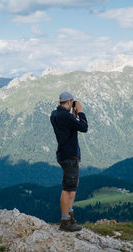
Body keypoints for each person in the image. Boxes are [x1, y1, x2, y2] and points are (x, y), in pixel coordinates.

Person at [50, 91, 88, 232]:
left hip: (63, 154)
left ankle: (69, 216)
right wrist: (80, 112)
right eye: (72, 102)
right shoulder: (64, 116)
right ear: (68, 102)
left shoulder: (55, 114)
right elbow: (84, 127)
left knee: (72, 185)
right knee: (68, 189)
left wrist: (73, 115)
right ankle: (65, 220)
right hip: (70, 155)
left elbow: (69, 126)